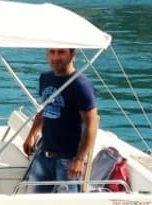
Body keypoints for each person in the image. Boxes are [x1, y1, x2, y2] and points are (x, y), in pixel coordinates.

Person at [22, 48, 99, 193]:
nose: (56, 57)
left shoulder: (81, 85)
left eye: (61, 52)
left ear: (73, 55)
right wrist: (32, 134)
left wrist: (79, 159)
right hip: (44, 155)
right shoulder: (45, 78)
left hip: (68, 160)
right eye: (52, 52)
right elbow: (44, 108)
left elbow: (91, 125)